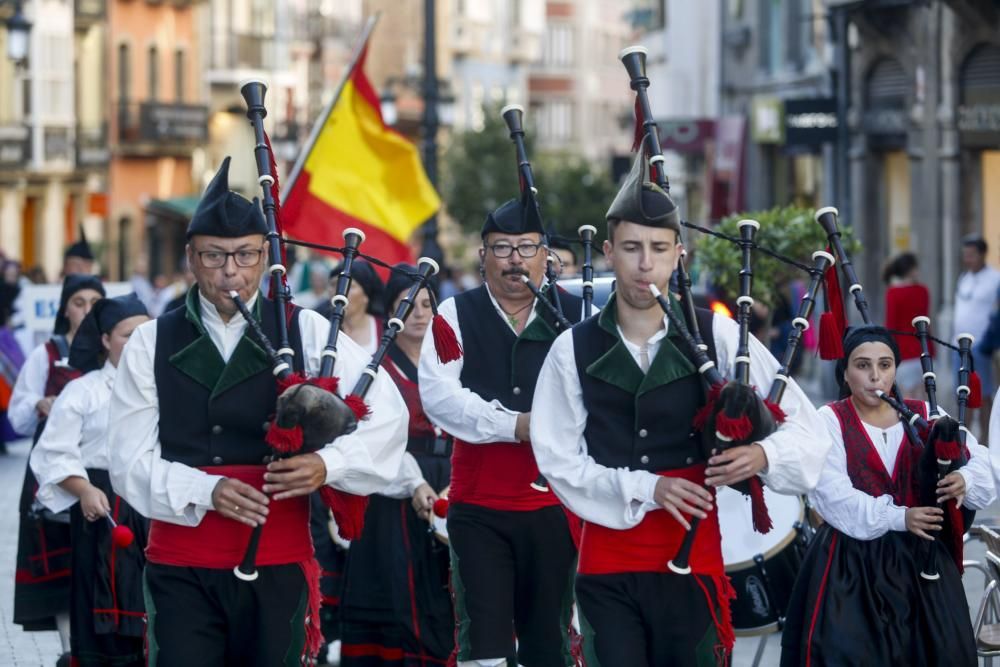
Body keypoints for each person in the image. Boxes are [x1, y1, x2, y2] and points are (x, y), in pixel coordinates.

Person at [529, 151, 831, 666]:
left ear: (678, 256)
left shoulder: (718, 335)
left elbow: (809, 432)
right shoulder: (572, 349)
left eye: (658, 248)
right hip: (606, 567)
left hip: (694, 565)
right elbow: (557, 460)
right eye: (630, 248)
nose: (645, 263)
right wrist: (650, 488)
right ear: (608, 252)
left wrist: (762, 456)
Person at [107, 157, 408, 667]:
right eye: (214, 256)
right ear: (190, 259)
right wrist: (208, 490)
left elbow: (388, 415)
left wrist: (326, 465)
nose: (231, 272)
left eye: (245, 255)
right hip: (182, 565)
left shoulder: (307, 331)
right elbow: (127, 462)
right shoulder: (151, 343)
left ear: (267, 256)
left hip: (279, 562)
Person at [419, 195, 586, 667]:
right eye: (502, 247)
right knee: (483, 637)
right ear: (482, 255)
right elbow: (440, 397)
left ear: (545, 256)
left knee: (549, 639)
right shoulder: (453, 316)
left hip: (557, 504)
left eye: (527, 247)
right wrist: (516, 425)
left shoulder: (575, 316)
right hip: (479, 507)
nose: (515, 259)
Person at [780, 325, 994, 666]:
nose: (875, 376)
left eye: (885, 365)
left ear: (895, 369)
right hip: (849, 567)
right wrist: (900, 516)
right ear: (845, 373)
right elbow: (832, 495)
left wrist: (964, 479)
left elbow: (983, 462)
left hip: (922, 566)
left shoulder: (927, 414)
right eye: (862, 366)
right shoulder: (829, 421)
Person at [340, 264, 455, 666]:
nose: (419, 313)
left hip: (451, 483)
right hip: (395, 487)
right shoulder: (376, 368)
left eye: (427, 304)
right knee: (400, 593)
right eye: (407, 305)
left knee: (449, 594)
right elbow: (373, 437)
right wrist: (414, 483)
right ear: (390, 311)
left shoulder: (453, 359)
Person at [30, 294, 151, 666]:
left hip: (155, 505)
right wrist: (83, 488)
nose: (140, 343)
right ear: (105, 340)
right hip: (103, 508)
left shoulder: (166, 387)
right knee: (103, 607)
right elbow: (53, 452)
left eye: (147, 334)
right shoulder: (84, 391)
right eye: (129, 335)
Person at [9, 273, 105, 664]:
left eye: (94, 302)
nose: (85, 310)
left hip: (99, 476)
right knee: (61, 566)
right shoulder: (47, 353)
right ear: (64, 307)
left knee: (99, 565)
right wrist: (39, 404)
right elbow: (16, 417)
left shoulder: (112, 353)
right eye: (78, 302)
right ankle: (70, 651)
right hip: (51, 479)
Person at [953, 235, 1000, 437]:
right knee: (962, 394)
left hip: (980, 346)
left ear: (982, 255)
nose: (967, 259)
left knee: (984, 395)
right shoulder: (964, 278)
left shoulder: (995, 279)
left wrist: (988, 344)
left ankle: (986, 441)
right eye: (965, 255)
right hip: (957, 345)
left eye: (971, 255)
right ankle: (963, 439)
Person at [883, 252, 932, 399]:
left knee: (906, 401)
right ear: (911, 269)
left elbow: (891, 325)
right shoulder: (923, 291)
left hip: (902, 352)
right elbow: (927, 323)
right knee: (923, 400)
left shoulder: (892, 293)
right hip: (923, 350)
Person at [317, 260, 385, 354]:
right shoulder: (320, 328)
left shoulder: (384, 330)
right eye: (333, 284)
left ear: (366, 295)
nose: (339, 292)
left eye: (349, 286)